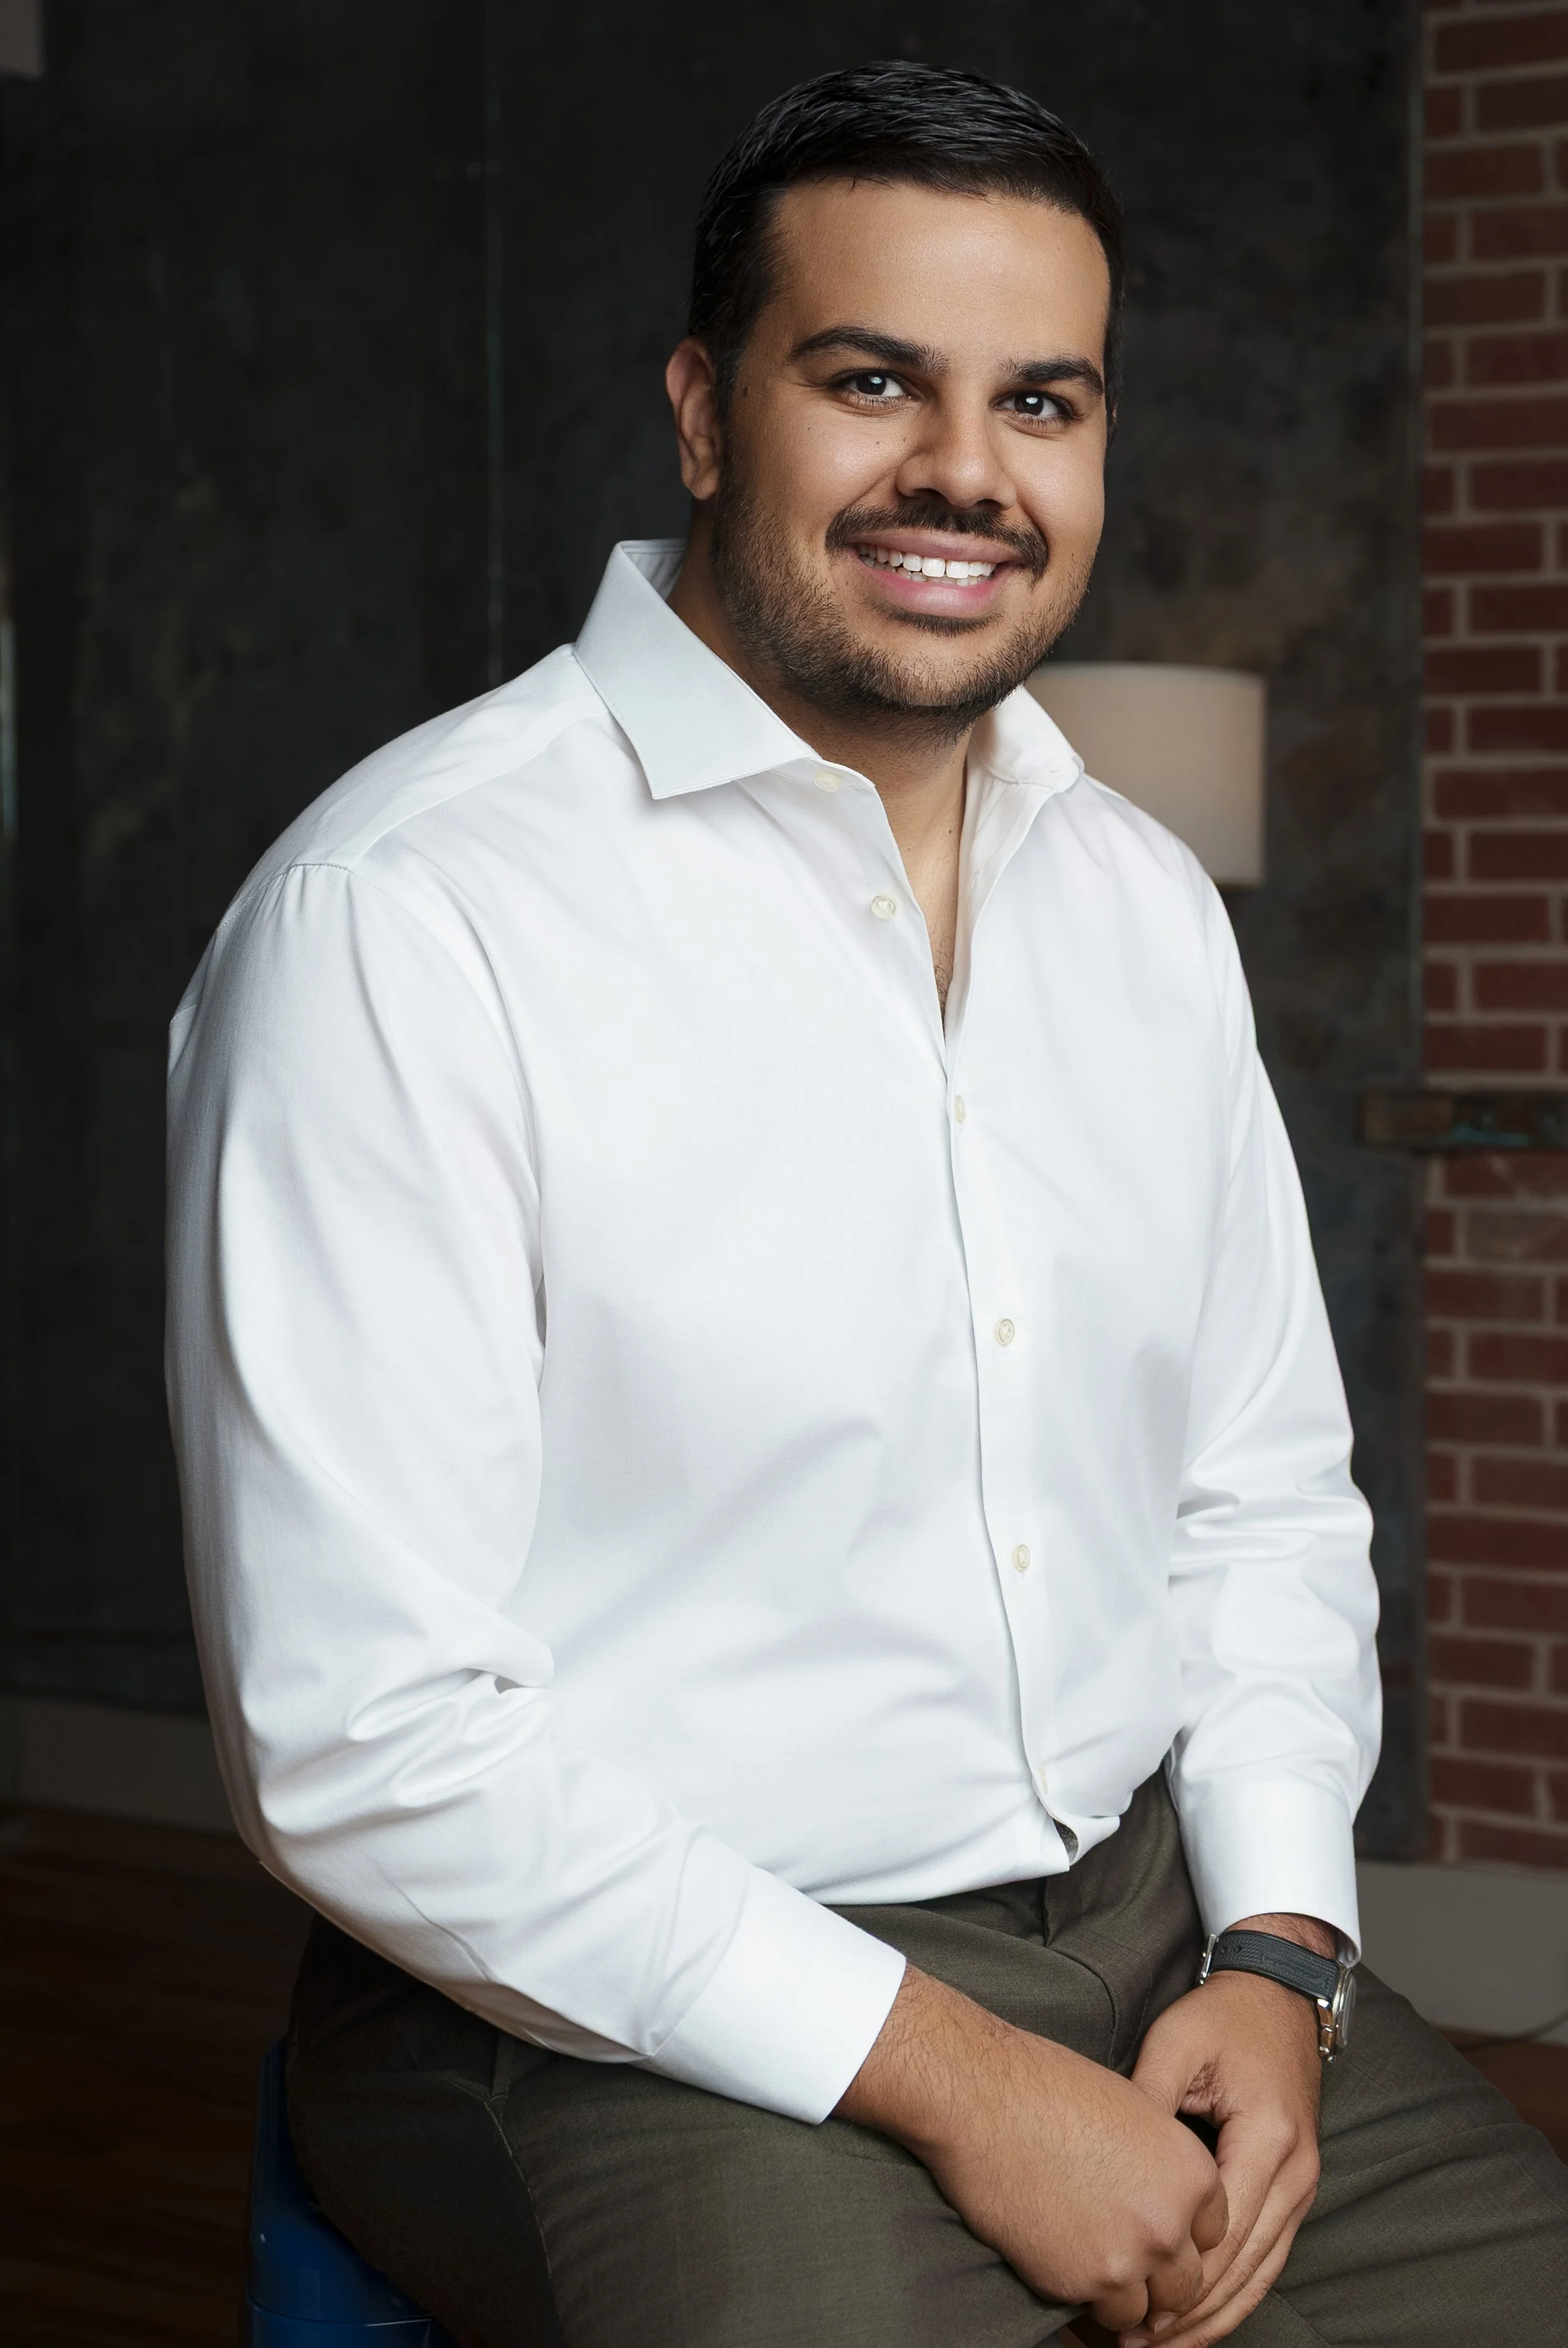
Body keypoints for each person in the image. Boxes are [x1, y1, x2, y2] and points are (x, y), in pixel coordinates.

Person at [166, 60, 1567, 2348]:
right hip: (601, 2003)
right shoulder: (402, 919)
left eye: (1041, 401)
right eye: (870, 379)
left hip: (1149, 1924)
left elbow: (1255, 1504)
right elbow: (367, 1735)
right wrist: (968, 2084)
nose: (964, 472)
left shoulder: (1138, 906)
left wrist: (1280, 1947)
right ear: (702, 414)